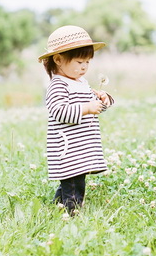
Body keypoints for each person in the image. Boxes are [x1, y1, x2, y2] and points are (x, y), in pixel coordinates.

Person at [37, 25, 113, 216]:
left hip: (82, 144)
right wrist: (86, 108)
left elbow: (94, 108)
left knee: (76, 179)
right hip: (68, 146)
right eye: (79, 61)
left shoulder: (81, 83)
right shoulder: (58, 85)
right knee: (72, 180)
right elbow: (58, 111)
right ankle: (72, 211)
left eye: (87, 62)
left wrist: (104, 100)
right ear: (59, 59)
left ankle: (58, 206)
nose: (84, 67)